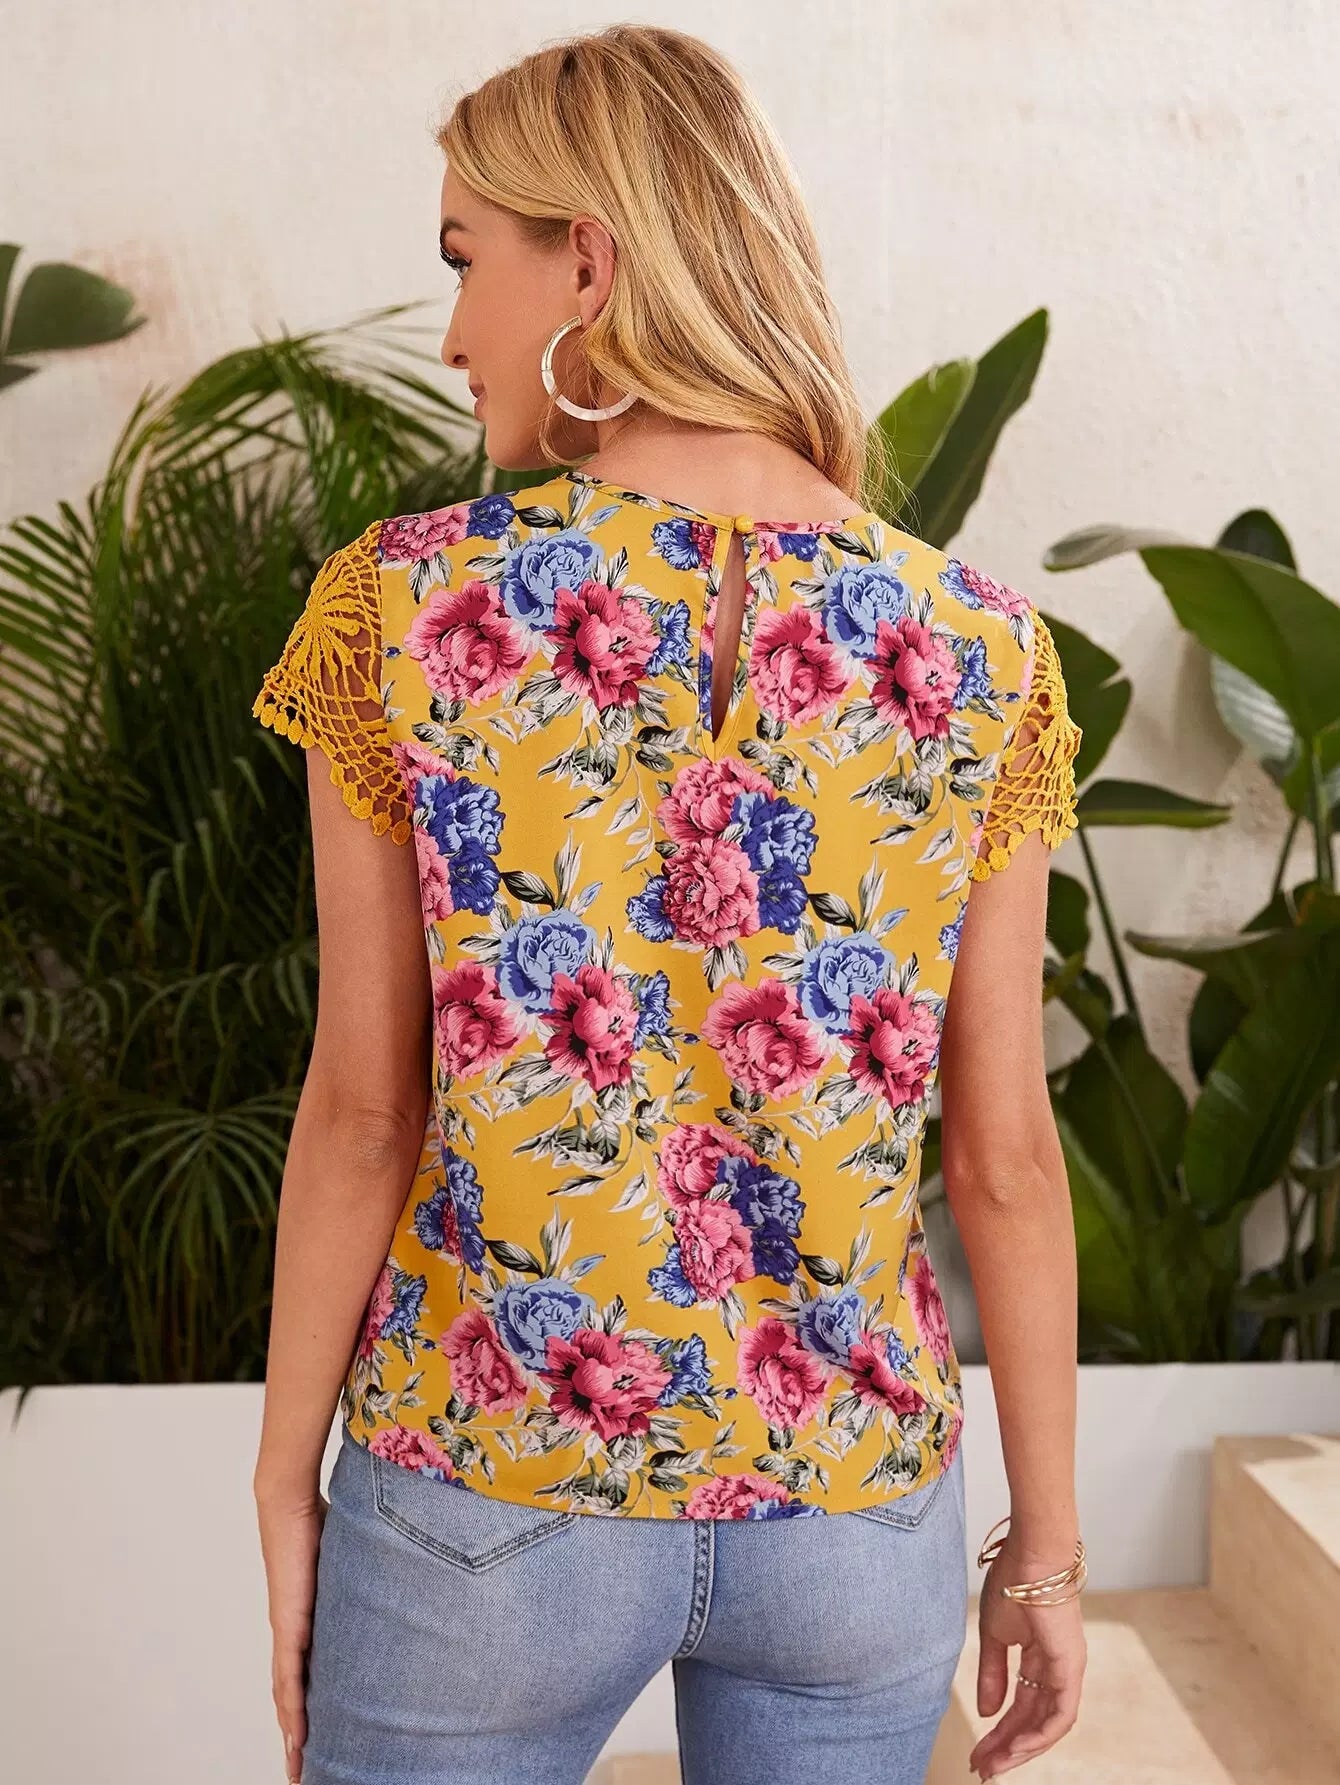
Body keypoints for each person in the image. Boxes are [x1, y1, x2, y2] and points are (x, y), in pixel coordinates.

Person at [250, 23, 1088, 1785]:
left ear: (591, 264)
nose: (455, 331)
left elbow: (364, 1110)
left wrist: (281, 1475)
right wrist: (1049, 1552)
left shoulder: (404, 612)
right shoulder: (983, 651)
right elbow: (1005, 1153)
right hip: (853, 1508)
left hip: (491, 1477)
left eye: (466, 260)